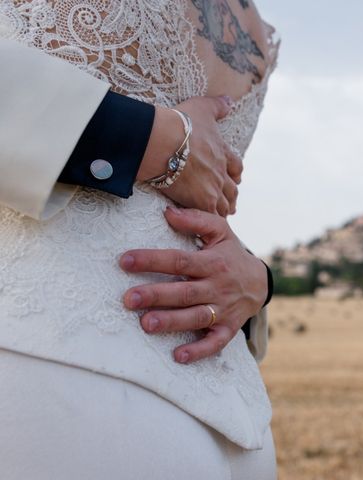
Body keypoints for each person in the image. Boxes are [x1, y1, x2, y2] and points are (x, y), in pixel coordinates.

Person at [0, 0, 279, 477]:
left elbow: (192, 194)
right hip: (47, 349)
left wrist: (256, 278)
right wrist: (149, 140)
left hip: (235, 406)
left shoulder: (261, 25)